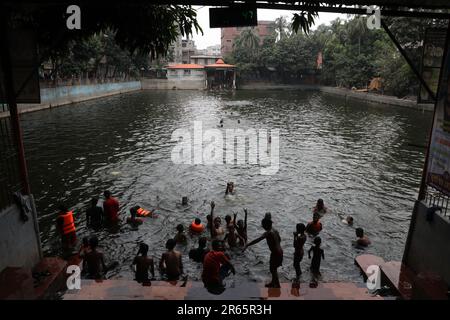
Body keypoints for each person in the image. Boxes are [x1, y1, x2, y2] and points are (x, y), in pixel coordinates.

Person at [243, 218, 283, 288]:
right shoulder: (275, 230)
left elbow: (258, 240)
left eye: (263, 225)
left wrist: (247, 244)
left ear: (265, 226)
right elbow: (280, 239)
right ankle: (273, 282)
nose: (262, 227)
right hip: (280, 251)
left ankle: (277, 285)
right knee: (273, 268)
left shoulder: (268, 233)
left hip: (275, 253)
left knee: (273, 269)